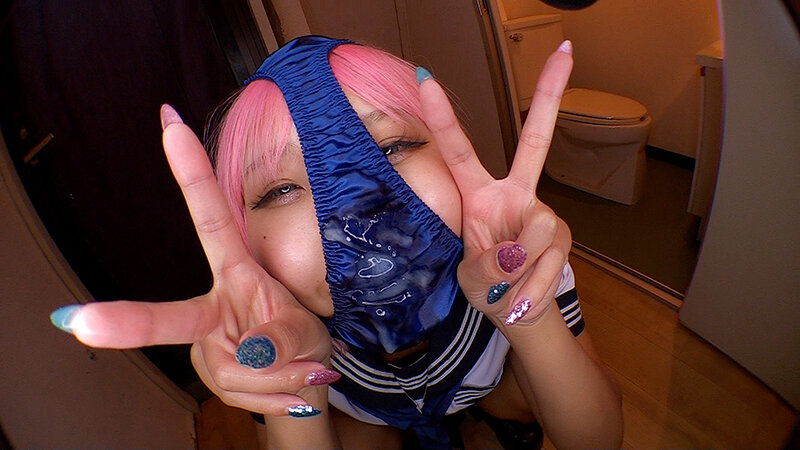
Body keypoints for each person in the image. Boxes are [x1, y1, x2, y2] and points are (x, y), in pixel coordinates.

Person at [51, 36, 622, 449]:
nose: (357, 217)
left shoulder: (516, 255)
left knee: (518, 394)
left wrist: (525, 310)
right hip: (365, 409)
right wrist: (291, 387)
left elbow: (597, 439)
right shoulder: (268, 321)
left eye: (393, 147)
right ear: (249, 239)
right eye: (280, 189)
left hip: (487, 380)